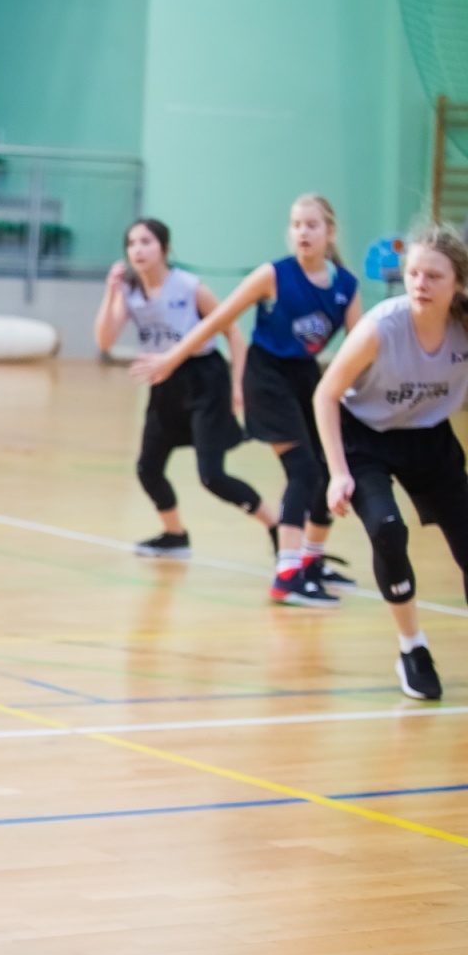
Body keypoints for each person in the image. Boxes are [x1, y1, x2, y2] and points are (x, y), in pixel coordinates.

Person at [132, 194, 360, 606]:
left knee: (328, 471)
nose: (302, 233)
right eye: (295, 225)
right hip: (266, 375)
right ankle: (288, 573)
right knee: (303, 470)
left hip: (308, 378)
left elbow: (361, 350)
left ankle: (311, 562)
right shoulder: (272, 274)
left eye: (311, 225)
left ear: (330, 232)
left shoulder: (346, 286)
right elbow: (219, 323)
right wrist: (171, 357)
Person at [315, 226, 468, 700]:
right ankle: (412, 648)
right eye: (413, 273)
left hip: (429, 438)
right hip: (366, 439)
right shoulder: (382, 326)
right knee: (387, 530)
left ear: (458, 282)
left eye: (433, 276)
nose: (420, 283)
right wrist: (339, 471)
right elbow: (326, 393)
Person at [94, 218, 277, 557]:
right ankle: (175, 535)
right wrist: (110, 294)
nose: (138, 249)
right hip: (164, 383)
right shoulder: (130, 292)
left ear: (164, 248)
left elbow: (233, 332)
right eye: (132, 243)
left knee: (212, 477)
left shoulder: (190, 287)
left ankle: (276, 524)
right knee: (147, 468)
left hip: (205, 379)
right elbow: (105, 340)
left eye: (146, 242)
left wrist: (240, 386)